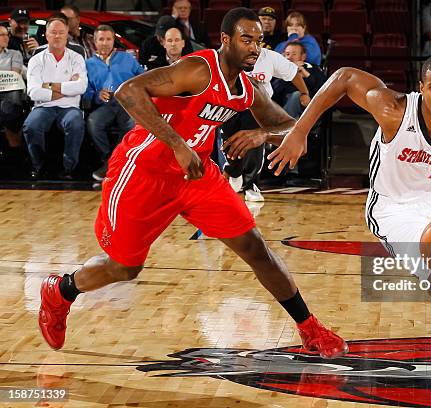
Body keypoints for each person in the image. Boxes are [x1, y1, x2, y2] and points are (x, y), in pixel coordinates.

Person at [37, 8, 347, 360]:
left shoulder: (247, 87)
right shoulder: (199, 69)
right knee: (125, 266)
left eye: (259, 42)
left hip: (197, 175)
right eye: (246, 40)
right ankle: (60, 290)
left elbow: (289, 125)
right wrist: (177, 144)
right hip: (145, 172)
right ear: (226, 40)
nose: (254, 48)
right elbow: (128, 92)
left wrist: (262, 134)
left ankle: (309, 328)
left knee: (255, 247)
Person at [263, 55, 431, 377]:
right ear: (421, 88)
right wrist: (300, 131)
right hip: (396, 205)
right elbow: (343, 77)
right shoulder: (393, 109)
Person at [220, 46, 311, 202]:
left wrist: (304, 93)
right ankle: (234, 171)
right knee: (230, 142)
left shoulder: (270, 57)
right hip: (231, 105)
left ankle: (251, 184)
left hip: (259, 107)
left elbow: (292, 72)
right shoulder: (228, 56)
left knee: (255, 143)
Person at [23, 14, 87, 180]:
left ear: (67, 34)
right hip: (42, 107)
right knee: (31, 125)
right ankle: (39, 165)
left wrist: (49, 85)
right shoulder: (36, 60)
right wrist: (66, 88)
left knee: (75, 123)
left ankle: (68, 168)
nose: (57, 36)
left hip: (70, 107)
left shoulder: (77, 58)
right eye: (53, 32)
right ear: (46, 34)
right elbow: (33, 92)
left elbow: (81, 86)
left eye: (61, 32)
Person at [84, 24, 144, 181]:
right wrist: (97, 95)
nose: (105, 43)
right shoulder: (88, 64)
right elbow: (87, 91)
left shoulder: (127, 58)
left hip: (127, 103)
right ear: (95, 42)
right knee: (93, 122)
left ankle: (114, 163)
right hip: (105, 104)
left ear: (113, 41)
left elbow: (142, 78)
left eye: (108, 39)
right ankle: (110, 161)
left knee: (131, 124)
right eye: (101, 39)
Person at [273, 42, 326, 119]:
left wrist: (306, 74)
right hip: (283, 103)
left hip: (307, 104)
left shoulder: (313, 69)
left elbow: (323, 90)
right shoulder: (278, 71)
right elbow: (273, 93)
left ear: (303, 56)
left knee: (297, 95)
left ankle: (284, 124)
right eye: (287, 54)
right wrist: (286, 75)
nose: (289, 57)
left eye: (294, 54)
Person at [0, 25, 25, 152]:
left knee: (12, 93)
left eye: (7, 34)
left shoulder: (15, 54)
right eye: (2, 35)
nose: (6, 37)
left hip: (9, 90)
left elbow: (14, 75)